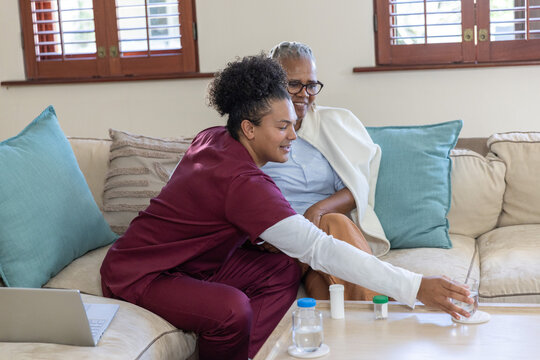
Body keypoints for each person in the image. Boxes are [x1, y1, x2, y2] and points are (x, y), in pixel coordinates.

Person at [100, 55, 472, 360]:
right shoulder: (243, 183)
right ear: (248, 129)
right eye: (282, 127)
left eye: (293, 125)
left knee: (278, 269)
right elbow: (319, 249)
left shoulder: (213, 137)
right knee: (231, 309)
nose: (293, 136)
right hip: (142, 273)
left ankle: (256, 353)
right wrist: (416, 286)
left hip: (196, 264)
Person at [262, 41, 384, 300]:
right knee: (334, 224)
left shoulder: (336, 124)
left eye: (312, 84)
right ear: (271, 84)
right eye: (294, 84)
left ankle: (363, 325)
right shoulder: (255, 132)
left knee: (329, 292)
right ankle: (384, 307)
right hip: (280, 239)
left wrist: (317, 210)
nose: (304, 93)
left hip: (323, 236)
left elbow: (356, 187)